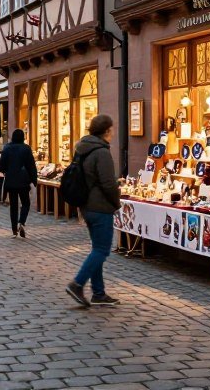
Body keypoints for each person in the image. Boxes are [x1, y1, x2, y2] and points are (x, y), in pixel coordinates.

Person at [65, 115, 121, 307]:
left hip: (87, 205)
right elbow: (107, 183)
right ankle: (77, 284)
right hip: (100, 207)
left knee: (97, 248)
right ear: (106, 131)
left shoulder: (82, 148)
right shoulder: (102, 152)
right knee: (101, 250)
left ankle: (99, 293)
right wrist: (116, 202)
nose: (113, 132)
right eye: (112, 129)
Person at [0, 128, 38, 237]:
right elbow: (31, 166)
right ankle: (22, 222)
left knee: (13, 206)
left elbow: (1, 166)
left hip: (11, 181)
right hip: (24, 181)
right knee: (26, 203)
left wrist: (7, 171)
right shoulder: (26, 149)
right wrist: (34, 179)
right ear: (23, 138)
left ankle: (14, 230)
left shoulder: (7, 148)